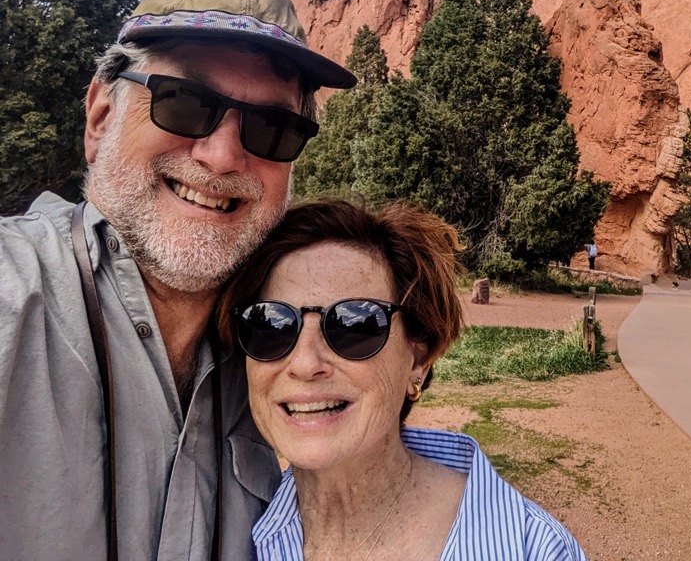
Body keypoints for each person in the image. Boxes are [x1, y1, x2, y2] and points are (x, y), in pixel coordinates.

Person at [0, 0, 355, 560]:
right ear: (101, 116)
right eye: (184, 103)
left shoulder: (285, 350)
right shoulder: (15, 290)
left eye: (271, 127)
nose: (221, 157)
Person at [217, 197, 589, 560]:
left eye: (355, 325)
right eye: (271, 325)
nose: (304, 363)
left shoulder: (534, 549)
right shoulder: (236, 530)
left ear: (419, 358)